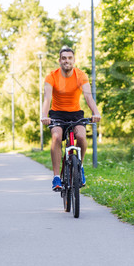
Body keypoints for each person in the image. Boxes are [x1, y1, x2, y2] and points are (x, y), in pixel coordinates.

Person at [40, 45, 101, 191]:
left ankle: (79, 167)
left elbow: (88, 96)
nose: (66, 61)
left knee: (81, 136)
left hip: (75, 113)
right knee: (56, 136)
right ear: (59, 61)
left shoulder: (81, 75)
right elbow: (47, 98)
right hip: (57, 113)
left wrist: (96, 112)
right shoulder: (51, 76)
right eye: (64, 58)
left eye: (69, 58)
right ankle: (56, 177)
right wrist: (44, 115)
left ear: (73, 60)